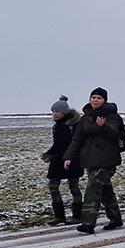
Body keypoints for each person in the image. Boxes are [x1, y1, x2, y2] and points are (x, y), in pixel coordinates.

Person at [62, 87, 125, 235]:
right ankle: (116, 219)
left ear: (105, 100)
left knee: (92, 189)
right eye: (93, 97)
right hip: (90, 159)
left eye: (98, 98)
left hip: (107, 159)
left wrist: (103, 126)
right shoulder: (85, 117)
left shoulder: (112, 116)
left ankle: (87, 223)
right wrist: (68, 156)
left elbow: (115, 133)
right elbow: (77, 139)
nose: (95, 100)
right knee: (105, 191)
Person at [41, 96, 84, 226]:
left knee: (74, 187)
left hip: (73, 160)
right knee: (53, 187)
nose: (54, 114)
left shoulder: (74, 125)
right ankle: (59, 216)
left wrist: (69, 157)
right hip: (58, 161)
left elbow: (74, 144)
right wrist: (48, 154)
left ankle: (77, 216)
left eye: (57, 112)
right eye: (53, 111)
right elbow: (57, 145)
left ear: (64, 112)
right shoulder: (56, 127)